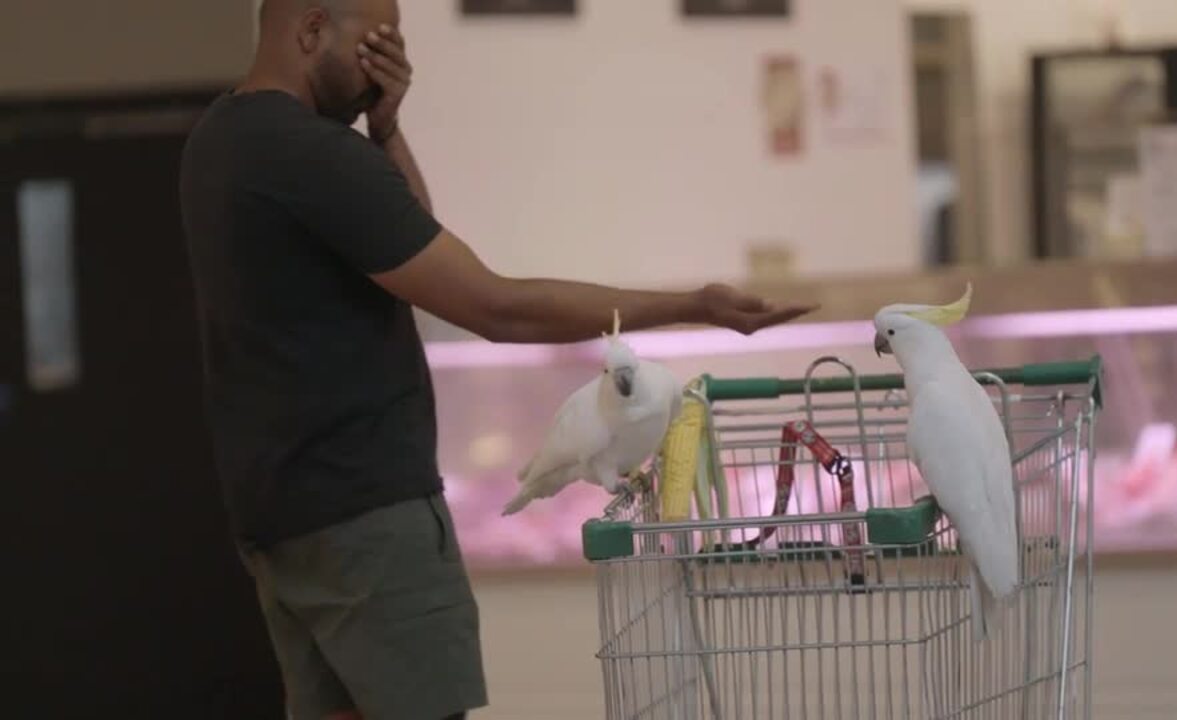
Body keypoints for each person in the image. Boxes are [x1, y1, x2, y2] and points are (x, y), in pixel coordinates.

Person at [179, 0, 816, 718]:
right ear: (311, 29)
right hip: (369, 519)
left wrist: (383, 127)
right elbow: (495, 308)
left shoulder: (220, 140)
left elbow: (408, 238)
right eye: (376, 42)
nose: (387, 63)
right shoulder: (311, 155)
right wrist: (692, 306)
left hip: (283, 518)